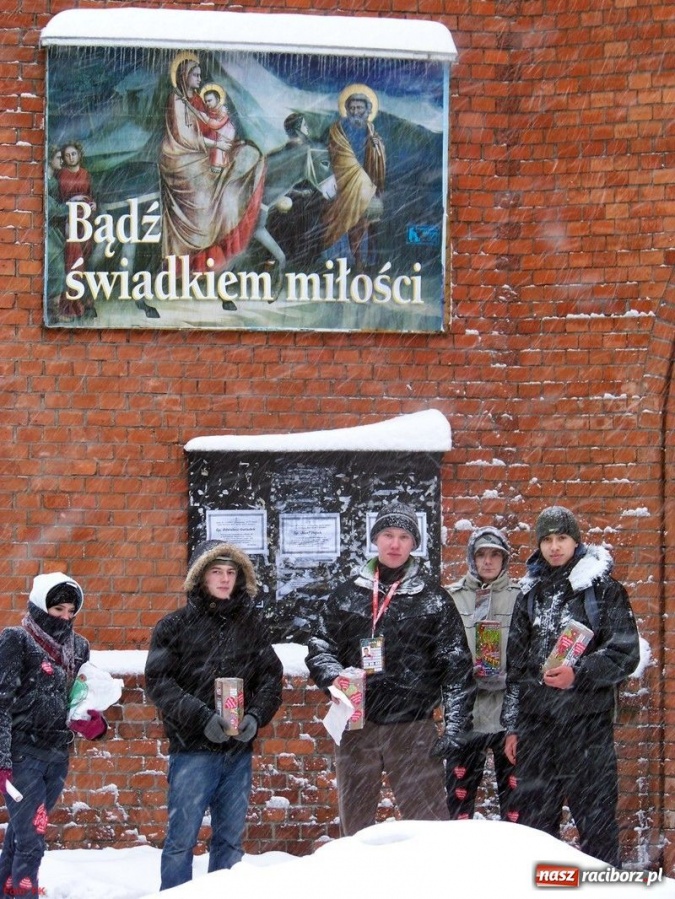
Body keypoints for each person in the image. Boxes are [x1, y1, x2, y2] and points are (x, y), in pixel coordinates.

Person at [306, 501, 475, 836]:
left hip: (412, 728)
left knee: (429, 828)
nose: (395, 544)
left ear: (414, 544)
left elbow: (457, 668)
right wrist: (333, 678)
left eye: (403, 536)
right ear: (376, 540)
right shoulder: (346, 596)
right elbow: (320, 648)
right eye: (387, 534)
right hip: (357, 727)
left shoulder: (433, 599)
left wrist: (455, 729)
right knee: (355, 829)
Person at [501, 506, 640, 867]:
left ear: (576, 541)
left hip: (586, 730)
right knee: (535, 832)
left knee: (597, 829)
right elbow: (515, 667)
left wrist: (579, 674)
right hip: (536, 730)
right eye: (546, 539)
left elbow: (625, 652)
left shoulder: (603, 591)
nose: (554, 547)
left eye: (561, 538)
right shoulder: (529, 594)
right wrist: (512, 726)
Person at [145, 540, 283, 891]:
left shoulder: (251, 625)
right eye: (216, 572)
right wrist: (202, 718)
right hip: (192, 751)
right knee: (180, 843)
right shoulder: (173, 627)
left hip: (237, 753)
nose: (224, 580)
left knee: (229, 842)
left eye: (231, 572)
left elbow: (270, 678)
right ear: (200, 577)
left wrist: (255, 716)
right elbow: (160, 684)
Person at [0, 572, 107, 899]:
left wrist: (94, 724)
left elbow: (81, 699)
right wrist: (2, 759)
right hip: (23, 755)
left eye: (70, 611)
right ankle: (24, 892)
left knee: (20, 835)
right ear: (39, 606)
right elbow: (1, 702)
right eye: (58, 609)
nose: (65, 616)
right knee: (33, 837)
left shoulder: (78, 647)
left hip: (57, 756)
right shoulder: (17, 641)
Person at [159, 52, 266, 279]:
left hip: (203, 154)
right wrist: (217, 143)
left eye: (199, 74)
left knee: (241, 160)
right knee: (204, 198)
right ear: (183, 76)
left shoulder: (197, 100)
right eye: (195, 75)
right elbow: (185, 138)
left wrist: (226, 141)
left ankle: (214, 252)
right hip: (181, 158)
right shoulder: (176, 100)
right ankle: (192, 256)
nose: (199, 78)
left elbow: (211, 125)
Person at [444, 526, 519, 819]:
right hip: (467, 712)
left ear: (504, 559)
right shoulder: (452, 597)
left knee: (516, 808)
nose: (488, 561)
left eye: (495, 555)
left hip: (507, 714)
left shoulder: (520, 597)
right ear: (471, 558)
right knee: (459, 806)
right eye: (481, 554)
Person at [322, 84, 386, 272]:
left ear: (368, 110)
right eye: (352, 107)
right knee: (338, 223)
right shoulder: (337, 130)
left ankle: (359, 263)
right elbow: (332, 154)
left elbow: (379, 160)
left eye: (360, 108)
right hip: (341, 185)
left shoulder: (371, 131)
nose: (355, 111)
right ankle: (336, 263)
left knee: (361, 225)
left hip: (364, 188)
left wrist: (377, 148)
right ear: (346, 109)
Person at [56, 141, 98, 320]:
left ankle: (87, 300)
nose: (71, 157)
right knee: (74, 260)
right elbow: (59, 199)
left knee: (87, 259)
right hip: (70, 219)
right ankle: (71, 302)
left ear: (79, 154)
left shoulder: (87, 174)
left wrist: (94, 203)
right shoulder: (61, 175)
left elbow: (93, 195)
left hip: (85, 219)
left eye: (74, 154)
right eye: (67, 155)